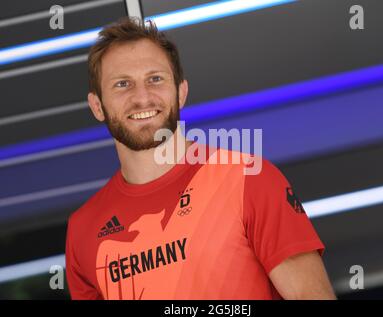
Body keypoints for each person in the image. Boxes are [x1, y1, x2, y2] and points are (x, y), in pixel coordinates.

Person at [65, 17, 336, 300]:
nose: (142, 97)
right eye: (122, 84)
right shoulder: (83, 230)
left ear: (181, 92)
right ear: (97, 106)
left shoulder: (247, 179)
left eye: (155, 79)